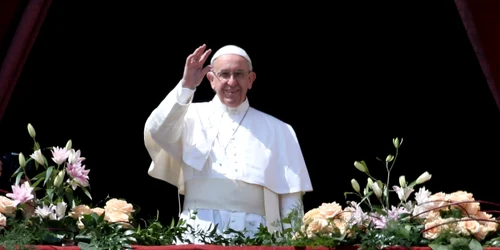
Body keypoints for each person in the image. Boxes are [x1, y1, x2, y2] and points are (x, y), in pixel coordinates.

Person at [143, 44, 313, 240]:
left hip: (256, 232)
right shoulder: (188, 116)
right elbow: (157, 131)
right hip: (197, 230)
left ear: (250, 80)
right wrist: (186, 86)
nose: (232, 82)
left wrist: (291, 242)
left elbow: (291, 196)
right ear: (211, 79)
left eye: (239, 74)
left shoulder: (280, 129)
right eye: (224, 74)